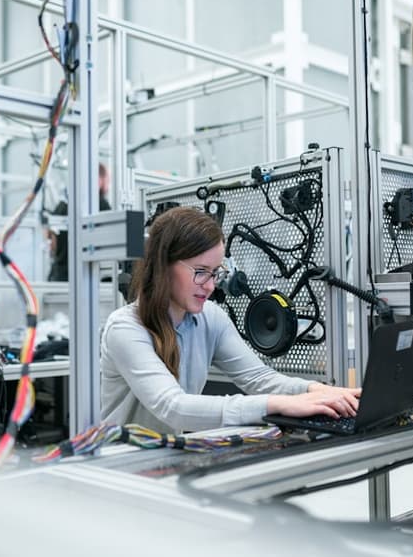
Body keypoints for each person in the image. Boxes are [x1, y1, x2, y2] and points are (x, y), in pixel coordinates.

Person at [100, 206, 360, 434]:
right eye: (200, 272)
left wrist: (319, 391)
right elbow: (173, 407)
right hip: (122, 467)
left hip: (166, 458)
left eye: (215, 273)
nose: (211, 285)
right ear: (163, 266)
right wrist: (278, 404)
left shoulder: (209, 318)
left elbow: (260, 379)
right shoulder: (125, 328)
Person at [47, 163, 111, 281]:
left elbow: (51, 243)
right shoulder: (100, 204)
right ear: (99, 179)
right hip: (86, 277)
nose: (108, 185)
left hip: (59, 277)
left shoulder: (61, 205)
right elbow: (108, 242)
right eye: (107, 179)